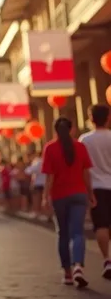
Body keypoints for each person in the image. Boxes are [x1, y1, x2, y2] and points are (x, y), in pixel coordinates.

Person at [42, 117, 96, 288]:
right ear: (72, 130)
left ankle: (67, 273)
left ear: (55, 130)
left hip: (59, 196)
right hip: (79, 193)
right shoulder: (80, 147)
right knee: (78, 232)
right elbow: (86, 173)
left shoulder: (50, 148)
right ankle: (78, 266)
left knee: (63, 234)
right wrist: (90, 193)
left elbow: (49, 177)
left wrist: (45, 196)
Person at [79, 104, 111, 280]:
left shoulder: (85, 140)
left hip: (96, 187)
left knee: (101, 225)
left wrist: (87, 191)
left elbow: (82, 168)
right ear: (108, 117)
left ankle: (107, 259)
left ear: (91, 118)